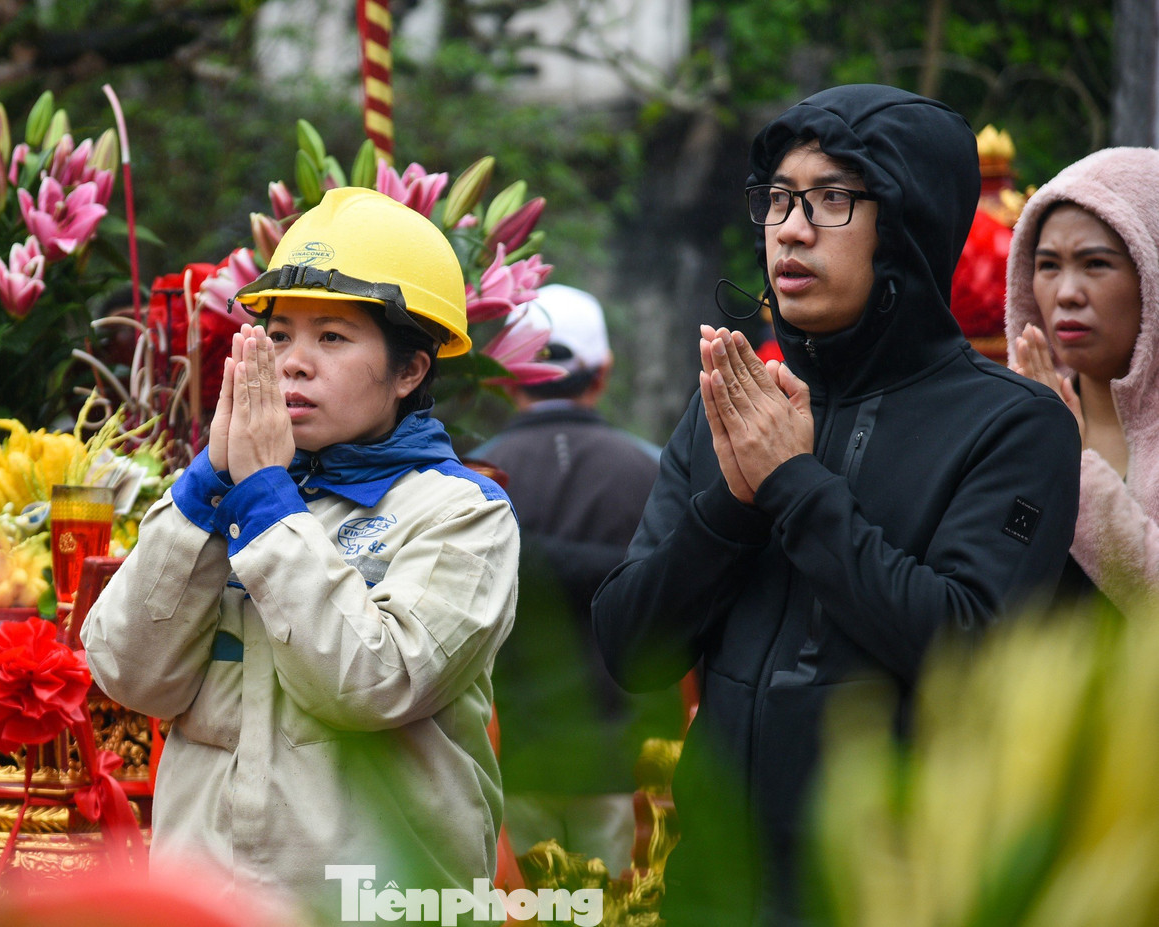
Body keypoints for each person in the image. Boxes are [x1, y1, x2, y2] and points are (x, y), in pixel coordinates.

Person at [591, 84, 1082, 924]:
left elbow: (967, 651)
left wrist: (792, 484)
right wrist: (737, 502)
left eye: (831, 199)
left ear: (907, 228)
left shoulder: (1013, 425)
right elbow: (631, 644)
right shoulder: (741, 401)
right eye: (778, 198)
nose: (789, 225)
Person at [81, 188, 519, 920]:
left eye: (333, 338)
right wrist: (204, 489)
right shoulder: (226, 496)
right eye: (279, 336)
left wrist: (264, 499)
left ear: (409, 371)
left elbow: (371, 683)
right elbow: (129, 674)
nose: (294, 364)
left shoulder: (461, 513)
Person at [470, 283, 678, 874]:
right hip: (627, 766)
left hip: (508, 761)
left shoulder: (463, 483)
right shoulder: (659, 472)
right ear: (603, 373)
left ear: (508, 377)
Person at [1006, 147, 1159, 615]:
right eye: (1048, 265)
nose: (1067, 293)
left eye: (1095, 263)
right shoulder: (1008, 416)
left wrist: (1071, 462)